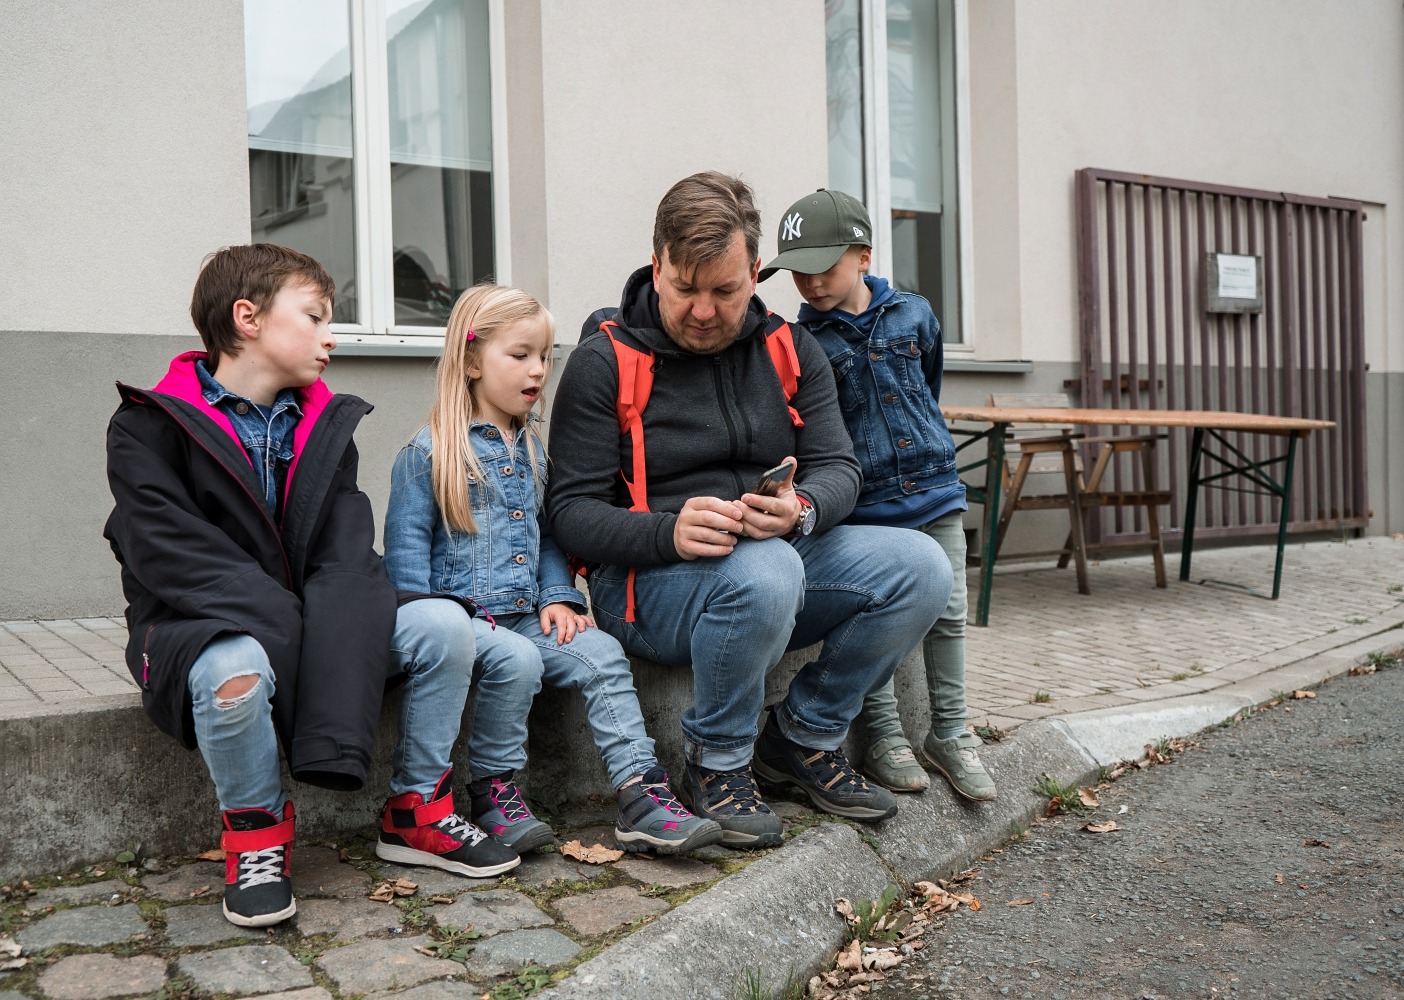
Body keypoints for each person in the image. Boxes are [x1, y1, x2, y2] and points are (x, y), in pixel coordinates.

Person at [546, 172, 954, 849]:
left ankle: (800, 737)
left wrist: (801, 509)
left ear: (755, 274)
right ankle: (718, 764)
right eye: (685, 290)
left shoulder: (792, 349)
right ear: (657, 267)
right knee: (766, 572)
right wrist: (666, 532)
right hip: (647, 587)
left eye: (726, 291)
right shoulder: (604, 361)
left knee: (922, 567)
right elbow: (570, 511)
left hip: (776, 563)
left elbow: (838, 468)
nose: (703, 311)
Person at [104, 244, 400, 927]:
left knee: (443, 628)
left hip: (306, 613)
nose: (333, 336)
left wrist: (324, 635)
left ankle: (418, 810)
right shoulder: (147, 426)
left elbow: (348, 555)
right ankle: (257, 835)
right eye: (317, 316)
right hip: (191, 620)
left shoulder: (326, 427)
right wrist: (308, 637)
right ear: (248, 318)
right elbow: (173, 555)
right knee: (235, 669)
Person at [381, 284, 724, 860]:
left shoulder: (533, 450)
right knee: (512, 663)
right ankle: (495, 793)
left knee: (604, 653)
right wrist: (433, 629)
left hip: (526, 615)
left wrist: (559, 596)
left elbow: (545, 538)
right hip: (463, 626)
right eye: (519, 356)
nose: (537, 370)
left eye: (544, 356)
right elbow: (406, 560)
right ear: (470, 361)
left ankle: (642, 795)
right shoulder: (430, 452)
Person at [759, 188, 996, 803]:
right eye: (797, 273)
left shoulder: (913, 313)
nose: (810, 284)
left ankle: (952, 732)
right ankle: (885, 735)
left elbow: (928, 383)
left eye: (824, 267)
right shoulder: (799, 342)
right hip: (861, 503)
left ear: (863, 256)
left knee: (948, 613)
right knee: (881, 606)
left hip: (933, 490)